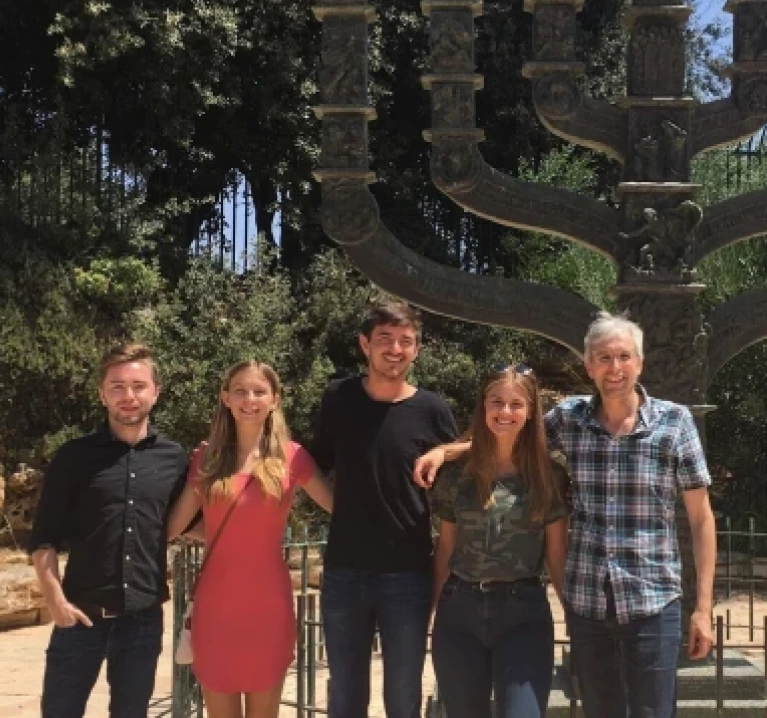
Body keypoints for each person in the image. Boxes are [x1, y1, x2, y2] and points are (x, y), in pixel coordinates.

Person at [414, 313, 718, 718]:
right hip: (589, 602)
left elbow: (701, 519)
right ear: (589, 366)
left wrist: (702, 608)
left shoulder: (675, 423)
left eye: (624, 356)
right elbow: (508, 432)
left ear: (640, 363)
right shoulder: (570, 419)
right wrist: (446, 451)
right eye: (604, 357)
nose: (615, 367)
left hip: (653, 597)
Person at [309, 300, 459, 718]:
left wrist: (445, 451)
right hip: (344, 572)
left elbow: (472, 451)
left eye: (405, 341)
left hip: (407, 575)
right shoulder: (339, 398)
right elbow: (310, 466)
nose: (395, 349)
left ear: (417, 350)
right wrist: (338, 509)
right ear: (364, 344)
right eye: (385, 339)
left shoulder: (432, 409)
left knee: (403, 696)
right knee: (345, 696)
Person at [165, 360, 333, 718]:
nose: (249, 399)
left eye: (259, 391)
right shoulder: (207, 458)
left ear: (274, 399)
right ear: (225, 397)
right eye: (240, 390)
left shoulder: (293, 457)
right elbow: (173, 524)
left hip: (268, 607)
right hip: (216, 606)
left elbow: (341, 509)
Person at [29, 343, 189, 718]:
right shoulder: (73, 457)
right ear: (102, 394)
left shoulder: (174, 458)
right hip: (79, 616)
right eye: (117, 386)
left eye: (138, 385)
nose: (128, 396)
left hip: (143, 620)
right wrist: (55, 600)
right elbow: (43, 538)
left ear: (155, 391)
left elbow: (188, 524)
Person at [429, 365, 569, 718]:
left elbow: (557, 556)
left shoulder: (549, 476)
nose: (505, 412)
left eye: (516, 404)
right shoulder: (457, 473)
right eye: (497, 402)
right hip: (459, 613)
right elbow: (446, 548)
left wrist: (574, 617)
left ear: (531, 411)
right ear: (483, 406)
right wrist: (427, 613)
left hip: (522, 613)